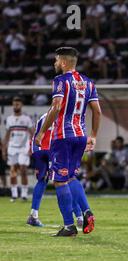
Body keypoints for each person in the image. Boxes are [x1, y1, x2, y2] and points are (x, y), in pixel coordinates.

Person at [35, 47, 102, 237]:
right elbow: (97, 111)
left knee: (59, 180)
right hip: (81, 136)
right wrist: (94, 135)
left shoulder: (60, 81)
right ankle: (87, 211)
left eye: (56, 60)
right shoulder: (88, 83)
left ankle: (69, 226)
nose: (55, 64)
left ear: (63, 62)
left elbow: (56, 108)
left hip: (62, 136)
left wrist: (41, 132)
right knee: (71, 176)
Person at [26, 113, 85, 228]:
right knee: (66, 180)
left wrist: (34, 152)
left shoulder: (44, 116)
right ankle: (79, 217)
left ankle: (33, 215)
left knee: (42, 180)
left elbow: (36, 135)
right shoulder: (65, 117)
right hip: (53, 150)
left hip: (38, 149)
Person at [2, 96, 34, 202]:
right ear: (12, 105)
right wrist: (4, 148)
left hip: (24, 148)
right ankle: (14, 194)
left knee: (23, 170)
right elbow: (7, 135)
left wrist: (31, 148)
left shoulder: (26, 119)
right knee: (13, 171)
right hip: (12, 148)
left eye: (18, 104)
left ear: (21, 105)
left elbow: (32, 133)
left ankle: (24, 194)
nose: (16, 105)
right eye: (14, 104)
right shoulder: (9, 119)